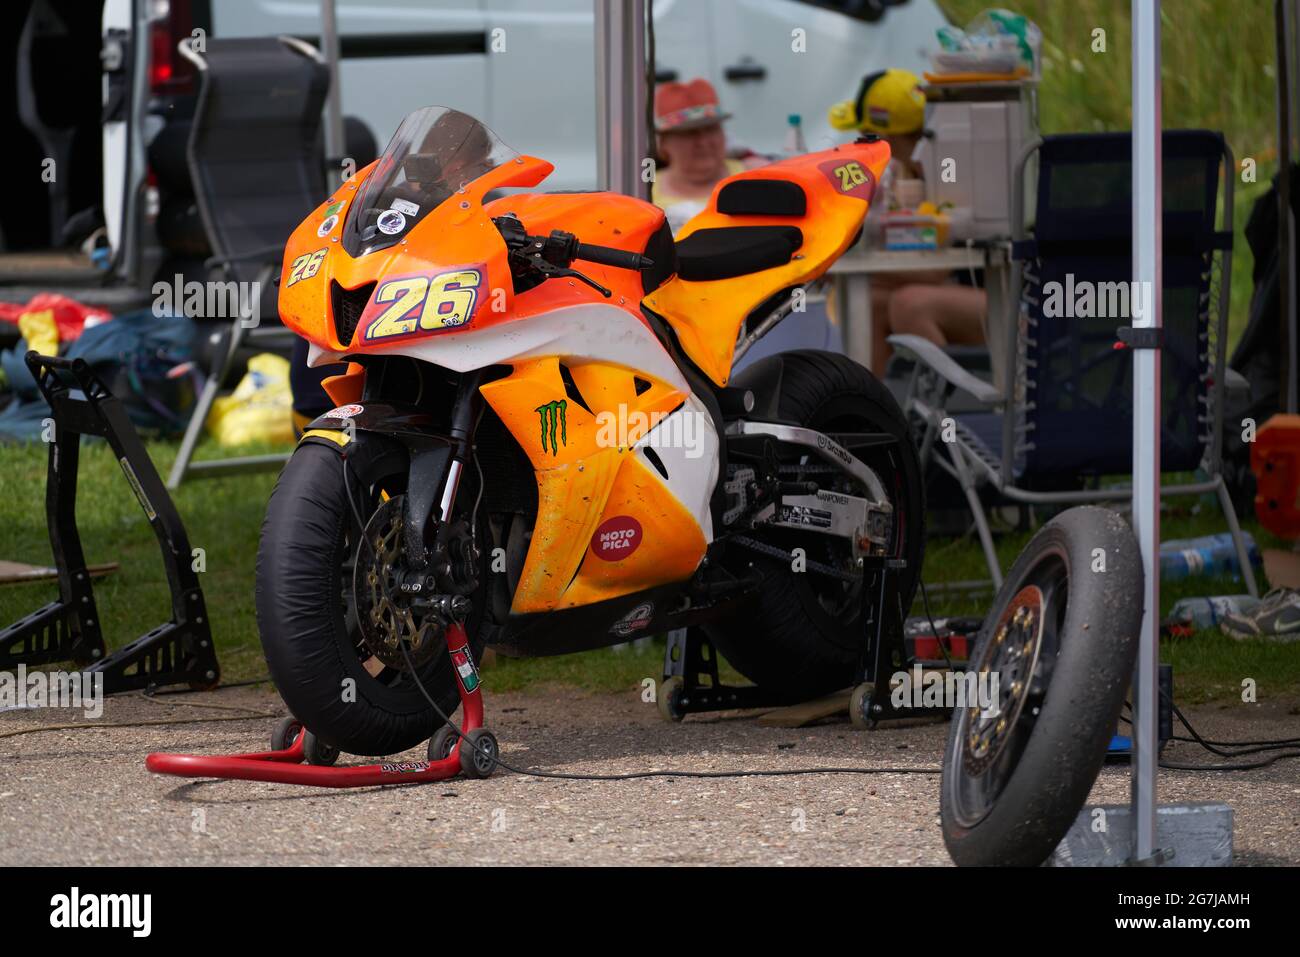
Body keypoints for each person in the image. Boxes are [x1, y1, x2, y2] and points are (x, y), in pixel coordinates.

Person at [829, 69, 987, 377]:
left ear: (887, 139)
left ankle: (948, 415)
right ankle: (872, 418)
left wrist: (837, 263)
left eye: (865, 136)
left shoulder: (949, 171)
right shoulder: (911, 175)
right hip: (965, 298)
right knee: (872, 301)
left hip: (1012, 304)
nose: (860, 147)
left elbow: (935, 269)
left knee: (909, 303)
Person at [651, 78, 764, 234]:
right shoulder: (644, 190)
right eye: (689, 133)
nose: (703, 142)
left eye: (710, 129)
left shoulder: (755, 177)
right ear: (664, 143)